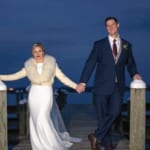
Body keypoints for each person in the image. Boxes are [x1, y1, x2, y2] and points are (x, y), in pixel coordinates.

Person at [76, 16, 142, 150]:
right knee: (102, 117)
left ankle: (95, 136)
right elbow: (90, 63)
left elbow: (130, 63)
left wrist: (134, 73)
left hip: (118, 87)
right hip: (101, 86)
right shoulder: (99, 44)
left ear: (118, 25)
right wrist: (83, 82)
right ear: (106, 28)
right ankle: (108, 145)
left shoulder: (126, 45)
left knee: (115, 112)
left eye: (112, 24)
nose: (110, 27)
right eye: (107, 25)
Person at [0, 42, 80, 150]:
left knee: (43, 118)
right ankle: (39, 145)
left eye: (39, 51)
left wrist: (76, 86)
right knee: (35, 120)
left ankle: (51, 145)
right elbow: (15, 76)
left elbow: (63, 77)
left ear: (43, 51)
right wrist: (1, 76)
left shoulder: (51, 63)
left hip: (46, 92)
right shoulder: (29, 65)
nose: (37, 53)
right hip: (34, 93)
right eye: (35, 51)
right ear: (32, 53)